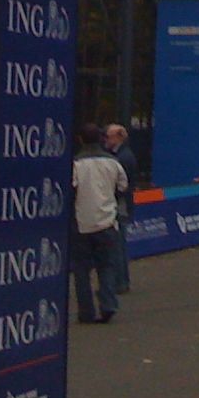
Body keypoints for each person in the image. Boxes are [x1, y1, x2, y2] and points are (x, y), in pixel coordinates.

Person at [72, 122, 128, 325]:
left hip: (82, 223)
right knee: (107, 266)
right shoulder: (113, 162)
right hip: (107, 221)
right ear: (100, 139)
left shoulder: (76, 164)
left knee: (81, 270)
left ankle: (86, 311)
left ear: (80, 139)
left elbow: (71, 189)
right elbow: (123, 186)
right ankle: (108, 305)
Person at [104, 122, 137, 293]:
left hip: (120, 206)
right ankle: (121, 281)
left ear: (118, 137)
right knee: (119, 245)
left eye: (108, 136)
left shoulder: (123, 158)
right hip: (121, 205)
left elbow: (123, 185)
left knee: (118, 245)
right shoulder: (119, 155)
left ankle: (121, 282)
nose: (106, 140)